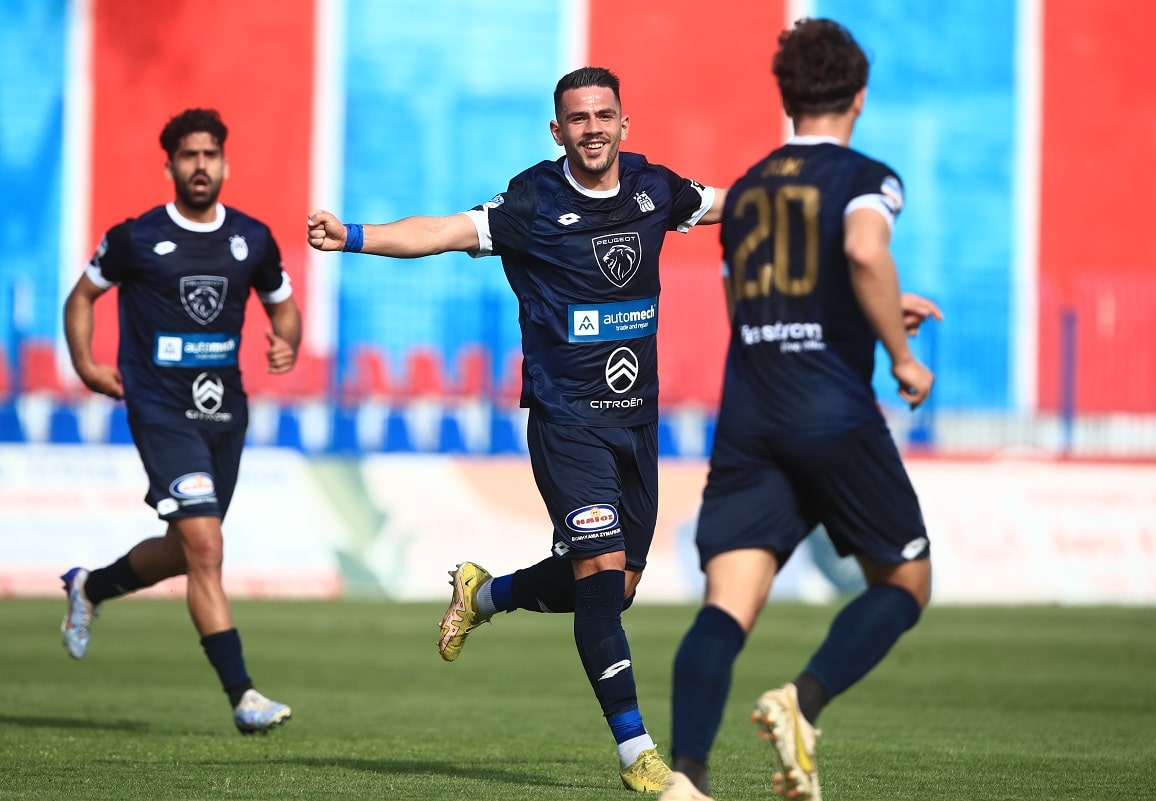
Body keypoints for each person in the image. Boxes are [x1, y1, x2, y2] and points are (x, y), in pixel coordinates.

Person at [307, 66, 723, 792]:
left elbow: (728, 204)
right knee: (600, 576)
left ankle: (484, 595)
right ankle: (638, 755)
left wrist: (800, 198)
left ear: (624, 124)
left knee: (616, 587)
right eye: (578, 118)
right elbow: (441, 231)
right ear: (557, 130)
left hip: (638, 423)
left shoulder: (655, 188)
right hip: (568, 422)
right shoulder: (533, 200)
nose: (592, 128)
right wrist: (353, 236)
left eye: (604, 115)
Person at [660, 19, 941, 801]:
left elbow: (746, 303)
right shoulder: (867, 177)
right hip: (831, 409)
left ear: (786, 98)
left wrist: (863, 310)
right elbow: (863, 250)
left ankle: (686, 777)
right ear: (859, 98)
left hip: (751, 411)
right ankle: (802, 701)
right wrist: (900, 353)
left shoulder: (748, 189)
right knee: (905, 579)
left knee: (726, 606)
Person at [61, 108, 302, 735]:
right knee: (207, 547)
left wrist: (287, 343)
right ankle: (243, 696)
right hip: (161, 409)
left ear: (225, 164)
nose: (200, 166)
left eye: (209, 155)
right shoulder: (135, 238)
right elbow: (81, 297)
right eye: (189, 156)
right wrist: (87, 365)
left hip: (225, 413)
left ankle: (90, 588)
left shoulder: (252, 238)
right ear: (169, 165)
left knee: (186, 549)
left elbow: (283, 307)